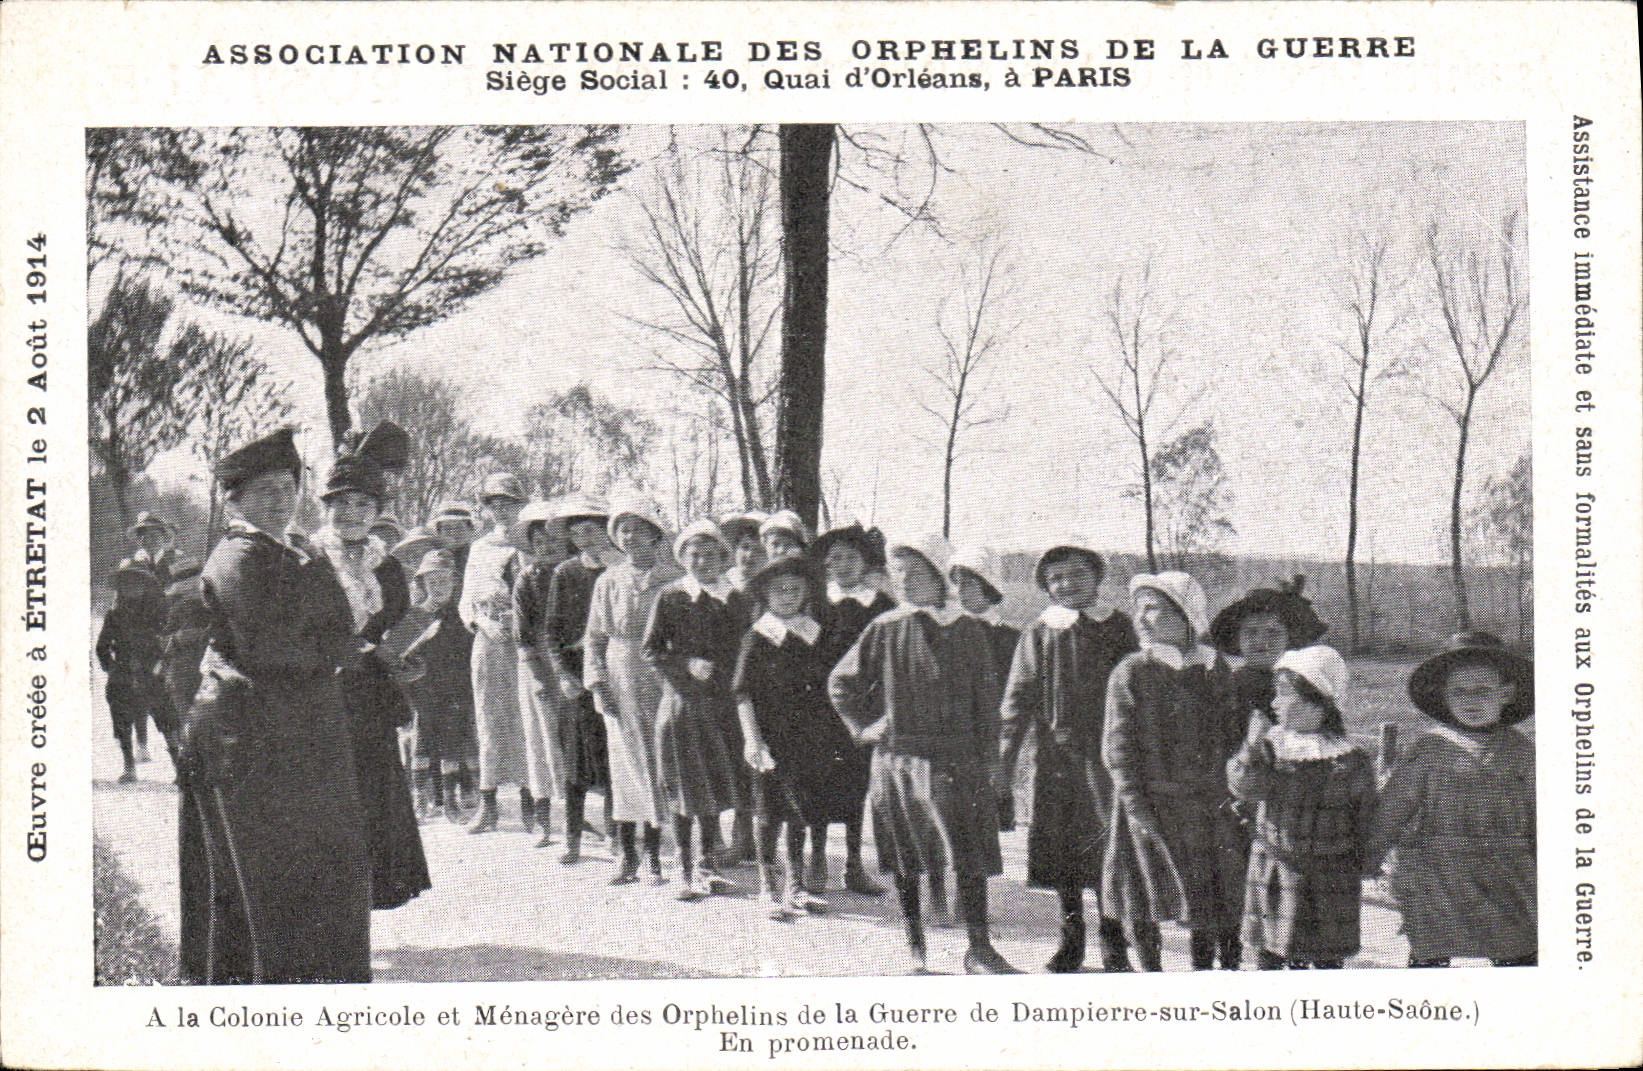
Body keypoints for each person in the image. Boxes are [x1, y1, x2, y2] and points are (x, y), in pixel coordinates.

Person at [177, 426, 372, 984]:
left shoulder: (297, 552)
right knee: (268, 873)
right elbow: (272, 645)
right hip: (252, 734)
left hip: (300, 725)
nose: (280, 500)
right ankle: (271, 997)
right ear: (233, 499)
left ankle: (318, 986)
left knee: (322, 864)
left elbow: (339, 620)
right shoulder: (237, 557)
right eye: (263, 490)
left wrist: (335, 644)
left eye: (287, 487)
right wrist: (335, 649)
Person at [829, 537, 1017, 975]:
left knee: (968, 855)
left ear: (938, 576)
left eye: (915, 572)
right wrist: (865, 726)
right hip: (900, 763)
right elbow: (841, 682)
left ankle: (979, 947)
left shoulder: (968, 629)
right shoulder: (886, 627)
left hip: (958, 762)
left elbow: (987, 703)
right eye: (897, 572)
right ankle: (917, 948)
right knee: (906, 856)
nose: (905, 580)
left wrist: (992, 762)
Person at [1000, 542, 1139, 973]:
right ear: (1046, 587)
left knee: (1111, 848)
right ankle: (1070, 936)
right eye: (1056, 578)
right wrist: (1006, 759)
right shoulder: (1041, 632)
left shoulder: (1121, 628)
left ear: (1097, 578)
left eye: (1077, 574)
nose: (1067, 584)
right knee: (1063, 851)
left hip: (1109, 757)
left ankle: (1115, 938)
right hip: (1057, 759)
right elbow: (1018, 697)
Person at [310, 422, 431, 911]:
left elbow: (399, 626)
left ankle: (365, 895)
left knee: (372, 794)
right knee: (325, 795)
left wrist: (405, 657)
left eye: (362, 505)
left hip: (370, 701)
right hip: (319, 695)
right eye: (341, 504)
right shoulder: (308, 558)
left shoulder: (386, 566)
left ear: (377, 513)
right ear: (326, 508)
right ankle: (323, 898)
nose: (351, 514)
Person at [1367, 631, 1536, 968]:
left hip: (1506, 870)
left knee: (1517, 949)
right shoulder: (1428, 750)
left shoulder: (1523, 753)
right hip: (1438, 871)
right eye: (1459, 691)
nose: (1471, 700)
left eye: (1483, 691)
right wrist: (1370, 853)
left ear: (1506, 695)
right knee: (1431, 949)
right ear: (1444, 697)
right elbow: (1393, 808)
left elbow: (1542, 814)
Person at [1101, 570, 1240, 971]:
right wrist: (1133, 801)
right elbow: (1118, 745)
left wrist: (1229, 790)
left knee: (1204, 895)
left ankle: (1202, 971)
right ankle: (1151, 973)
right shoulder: (1131, 671)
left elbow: (1230, 735)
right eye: (1138, 609)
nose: (1143, 618)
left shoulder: (1214, 670)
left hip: (1206, 804)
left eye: (1155, 609)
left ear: (1186, 617)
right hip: (1150, 801)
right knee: (1143, 893)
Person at [1205, 578, 1330, 970]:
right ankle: (1230, 957)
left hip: (1287, 803)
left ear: (1292, 639)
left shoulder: (1300, 687)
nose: (1261, 641)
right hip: (1232, 795)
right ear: (1237, 640)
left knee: (1283, 881)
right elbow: (1213, 741)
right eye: (1251, 633)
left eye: (1273, 634)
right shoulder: (1228, 683)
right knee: (1234, 881)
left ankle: (1286, 951)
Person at [1227, 645, 1375, 970]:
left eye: (1283, 694)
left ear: (1316, 700)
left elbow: (1365, 818)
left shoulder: (1350, 759)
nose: (1274, 704)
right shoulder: (1271, 748)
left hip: (1330, 876)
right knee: (1271, 951)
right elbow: (1245, 788)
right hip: (1276, 868)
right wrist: (1251, 745)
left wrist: (1366, 862)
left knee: (1325, 957)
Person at [644, 519, 748, 900]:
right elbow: (652, 650)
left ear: (724, 558)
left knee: (713, 783)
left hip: (723, 706)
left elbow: (744, 649)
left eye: (711, 555)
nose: (703, 561)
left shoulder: (735, 599)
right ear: (682, 558)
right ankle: (683, 865)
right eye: (694, 554)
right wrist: (686, 665)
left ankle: (707, 862)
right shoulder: (672, 596)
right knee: (685, 784)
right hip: (684, 705)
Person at [734, 554, 841, 918]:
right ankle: (767, 884)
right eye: (778, 590)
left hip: (809, 737)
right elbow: (744, 693)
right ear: (765, 594)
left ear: (807, 593)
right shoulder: (758, 637)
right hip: (770, 736)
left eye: (795, 590)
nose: (787, 596)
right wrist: (752, 739)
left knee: (800, 810)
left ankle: (795, 884)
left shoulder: (815, 634)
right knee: (768, 812)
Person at [585, 497, 682, 884]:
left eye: (640, 529)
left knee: (659, 759)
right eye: (624, 530)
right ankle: (628, 854)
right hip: (620, 673)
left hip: (660, 675)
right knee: (624, 763)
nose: (632, 537)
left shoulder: (673, 579)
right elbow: (593, 638)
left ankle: (658, 851)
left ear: (655, 535)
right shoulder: (608, 581)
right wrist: (596, 681)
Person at [808, 521, 895, 898]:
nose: (841, 566)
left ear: (864, 562)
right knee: (818, 784)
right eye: (833, 559)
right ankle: (816, 860)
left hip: (861, 708)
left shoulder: (880, 606)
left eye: (849, 558)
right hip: (817, 708)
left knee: (856, 785)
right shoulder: (815, 603)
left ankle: (854, 864)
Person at [543, 496, 616, 865]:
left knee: (612, 754)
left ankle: (617, 834)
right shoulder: (565, 573)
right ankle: (571, 836)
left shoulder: (620, 569)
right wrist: (562, 674)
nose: (585, 538)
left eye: (592, 530)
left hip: (613, 671)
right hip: (576, 671)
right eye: (577, 532)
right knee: (575, 756)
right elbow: (551, 631)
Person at [460, 474, 533, 834]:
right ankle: (488, 805)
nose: (502, 510)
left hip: (525, 640)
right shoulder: (479, 548)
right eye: (494, 504)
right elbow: (466, 602)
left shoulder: (531, 543)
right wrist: (482, 624)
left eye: (509, 502)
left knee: (526, 717)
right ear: (486, 509)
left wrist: (520, 620)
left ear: (521, 504)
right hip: (489, 639)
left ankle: (533, 802)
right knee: (489, 717)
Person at [394, 549, 480, 825]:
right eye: (433, 582)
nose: (439, 587)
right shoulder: (417, 615)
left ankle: (452, 798)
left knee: (455, 739)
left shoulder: (462, 614)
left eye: (444, 581)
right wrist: (415, 648)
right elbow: (394, 652)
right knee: (423, 740)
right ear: (422, 585)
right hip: (424, 688)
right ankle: (421, 798)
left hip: (457, 686)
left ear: (455, 582)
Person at [514, 500, 573, 847]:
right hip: (536, 664)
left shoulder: (572, 574)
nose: (547, 548)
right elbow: (522, 634)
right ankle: (543, 818)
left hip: (568, 663)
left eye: (553, 541)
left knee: (570, 743)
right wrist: (537, 673)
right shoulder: (528, 578)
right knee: (540, 740)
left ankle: (575, 817)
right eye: (540, 543)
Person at [96, 563, 168, 783]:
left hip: (151, 669)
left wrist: (160, 663)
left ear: (145, 586)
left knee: (166, 716)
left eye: (136, 584)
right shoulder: (114, 615)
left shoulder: (156, 612)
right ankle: (129, 766)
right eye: (126, 584)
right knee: (122, 718)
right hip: (124, 672)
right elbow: (102, 646)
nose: (131, 588)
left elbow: (166, 639)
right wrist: (112, 667)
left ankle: (179, 765)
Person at [719, 511, 769, 592]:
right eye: (745, 547)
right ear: (735, 549)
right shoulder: (723, 582)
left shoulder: (771, 586)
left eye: (758, 550)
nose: (750, 554)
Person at [126, 510, 179, 585]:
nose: (148, 541)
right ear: (138, 540)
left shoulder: (175, 559)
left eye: (154, 536)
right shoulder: (132, 565)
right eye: (143, 537)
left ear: (163, 537)